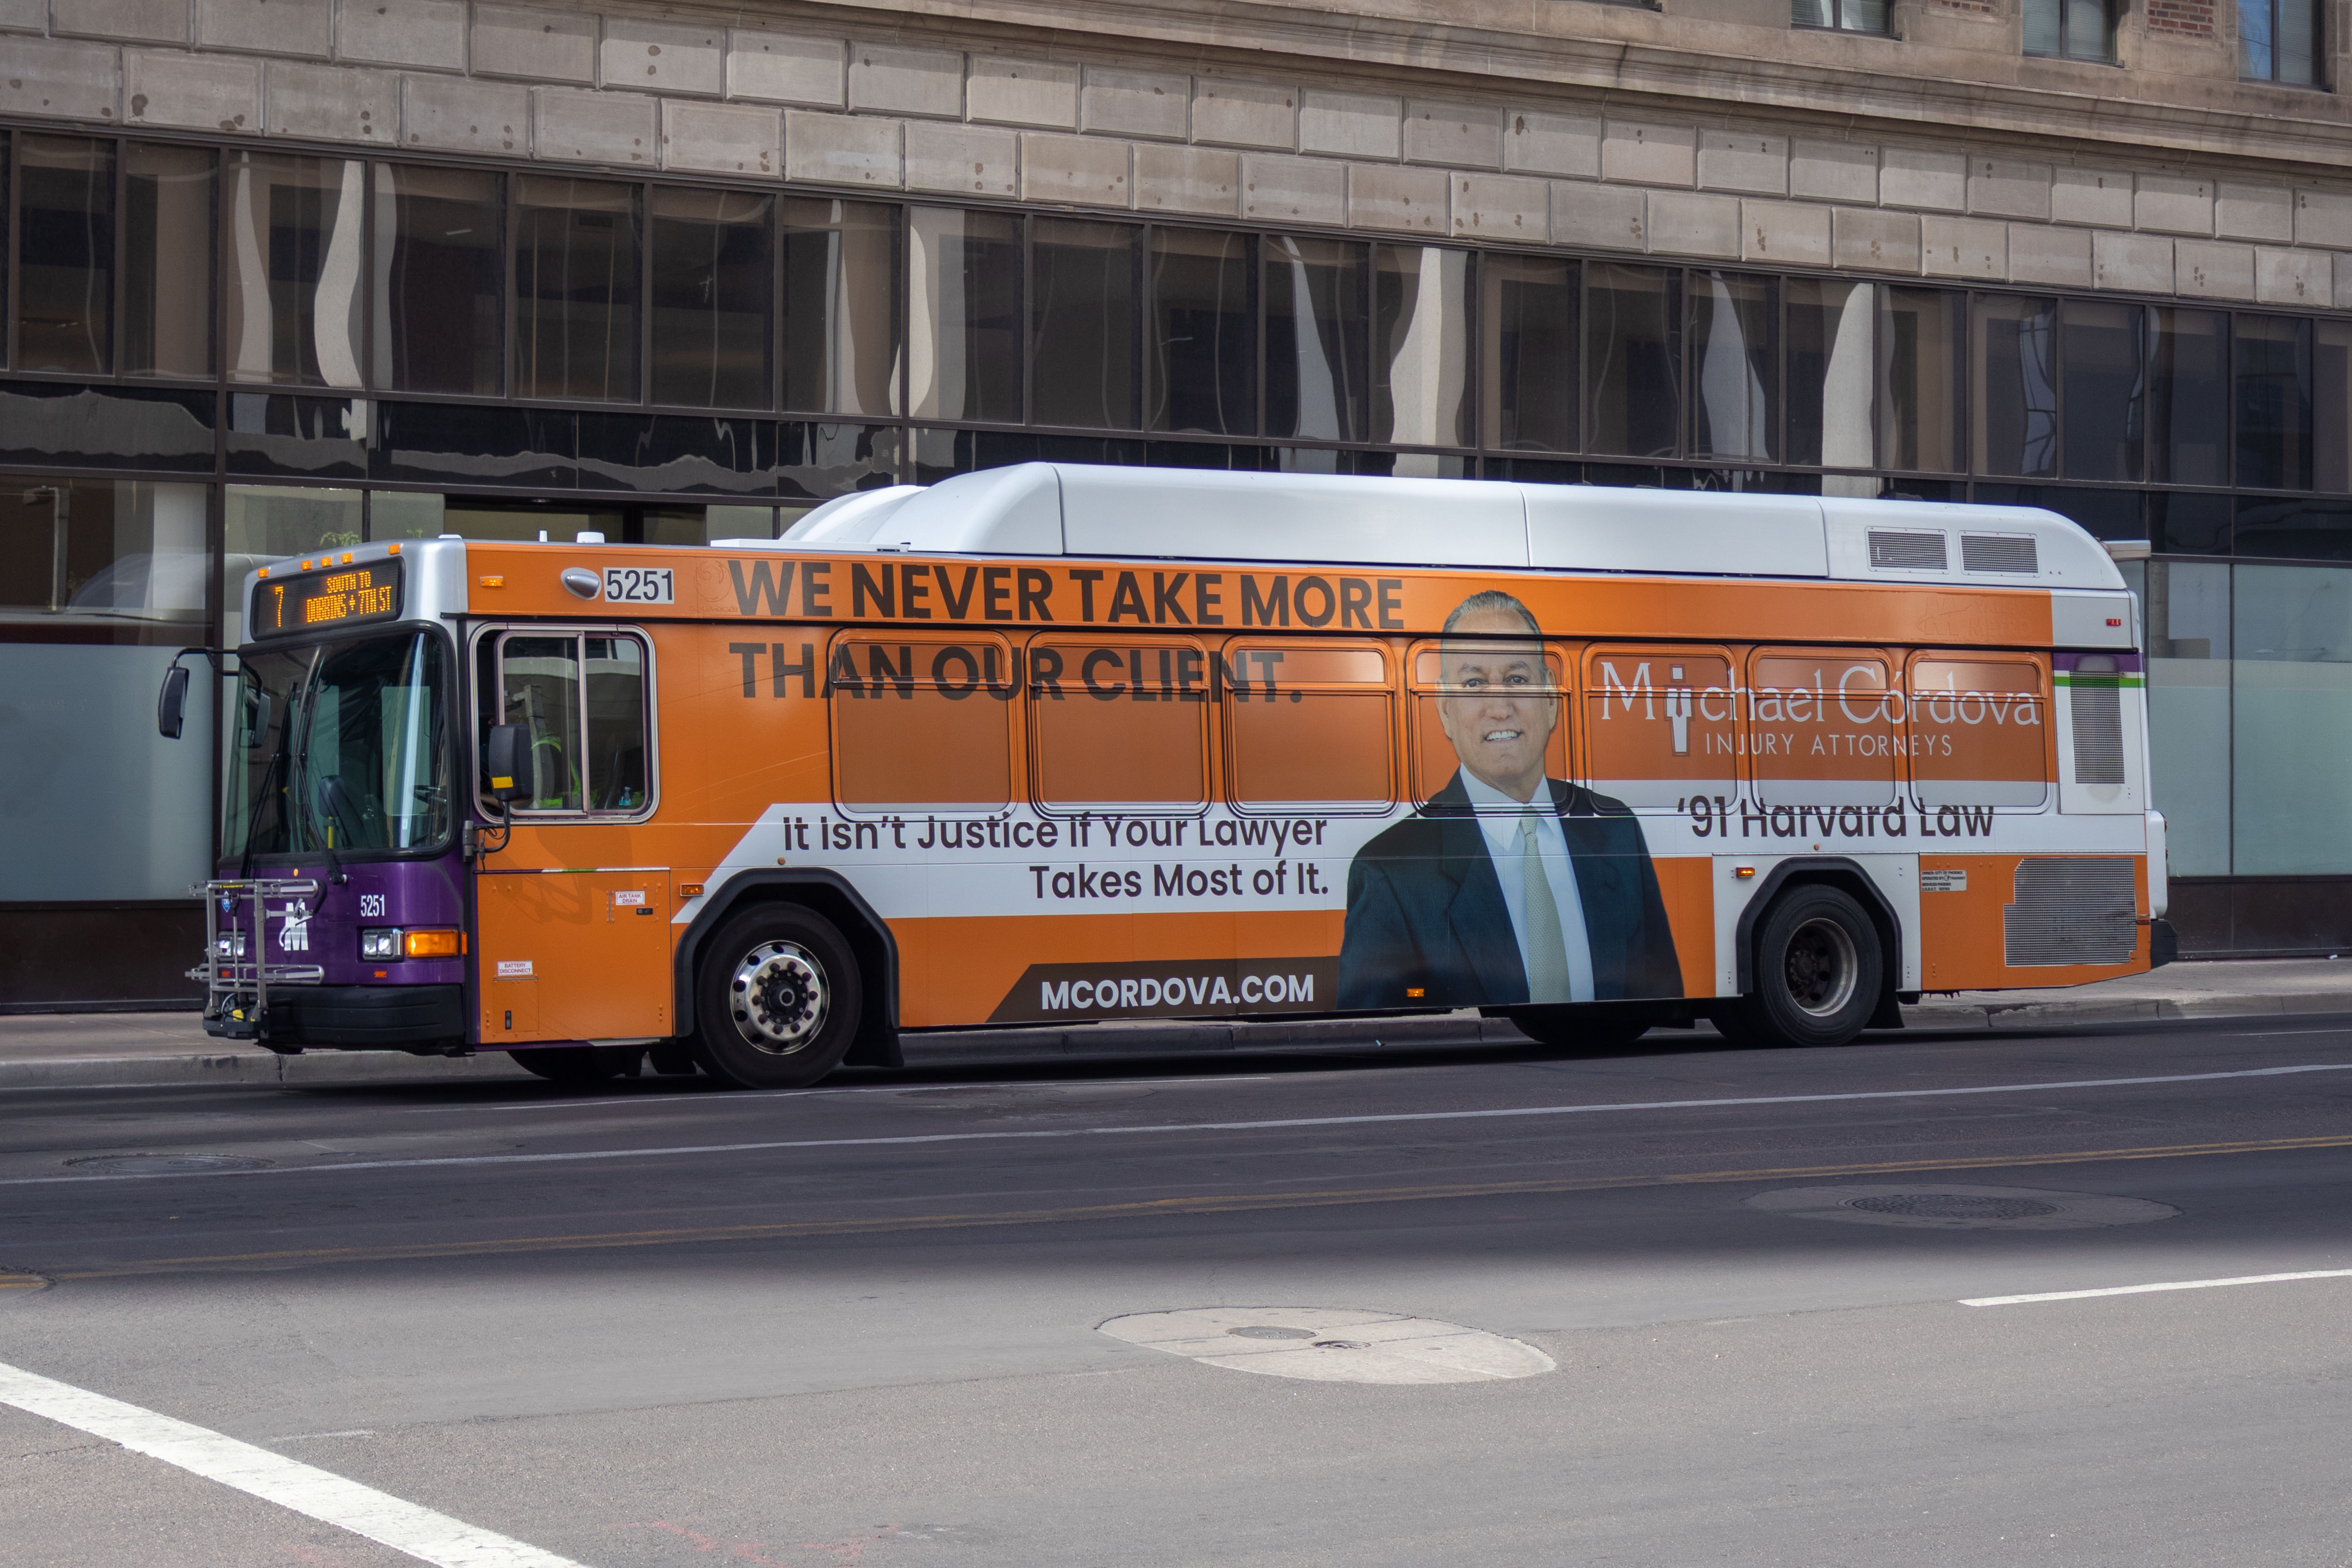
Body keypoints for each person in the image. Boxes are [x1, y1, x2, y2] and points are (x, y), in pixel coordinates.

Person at [1336, 589, 1681, 1010]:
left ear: (1552, 699)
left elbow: (1660, 998)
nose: (1500, 707)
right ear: (1445, 709)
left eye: (1517, 680)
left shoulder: (1614, 828)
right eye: (1474, 683)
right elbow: (1380, 1036)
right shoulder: (1389, 871)